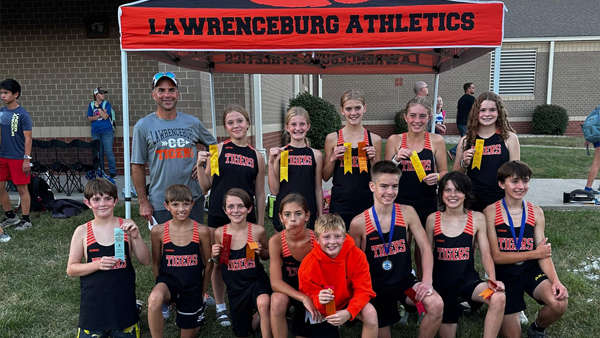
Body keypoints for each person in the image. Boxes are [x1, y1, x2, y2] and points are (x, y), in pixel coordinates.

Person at [349, 161, 443, 338]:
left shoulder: (407, 213)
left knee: (436, 304)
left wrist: (427, 281)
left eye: (395, 186)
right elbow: (353, 265)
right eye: (384, 186)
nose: (390, 192)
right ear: (372, 186)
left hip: (404, 285)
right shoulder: (358, 223)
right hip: (377, 288)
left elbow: (424, 247)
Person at [197, 103, 266, 326]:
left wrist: (261, 223)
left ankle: (247, 298)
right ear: (225, 127)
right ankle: (220, 305)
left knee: (248, 259)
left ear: (247, 123)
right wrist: (200, 167)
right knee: (220, 260)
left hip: (245, 217)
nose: (236, 126)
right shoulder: (218, 150)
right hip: (220, 215)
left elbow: (260, 192)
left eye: (240, 121)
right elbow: (205, 187)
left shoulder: (256, 155)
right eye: (230, 122)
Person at [484, 161, 568, 338]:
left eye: (525, 181)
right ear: (501, 184)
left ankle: (537, 328)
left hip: (529, 270)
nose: (521, 186)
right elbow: (496, 257)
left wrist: (556, 281)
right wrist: (534, 253)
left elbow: (544, 255)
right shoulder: (490, 212)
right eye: (514, 181)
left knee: (559, 303)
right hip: (504, 274)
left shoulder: (536, 212)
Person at [66, 178, 151, 338]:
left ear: (115, 200)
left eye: (107, 198)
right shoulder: (82, 231)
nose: (102, 203)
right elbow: (71, 269)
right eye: (96, 199)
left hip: (123, 307)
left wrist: (136, 236)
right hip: (93, 309)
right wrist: (97, 265)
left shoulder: (125, 226)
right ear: (88, 203)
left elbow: (145, 260)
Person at [425, 171, 505, 338]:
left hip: (469, 285)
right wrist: (426, 282)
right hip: (443, 288)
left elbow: (485, 253)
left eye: (458, 190)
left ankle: (470, 305)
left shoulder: (477, 218)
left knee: (497, 297)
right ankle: (422, 310)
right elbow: (426, 254)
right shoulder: (433, 219)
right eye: (448, 190)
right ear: (441, 193)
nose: (452, 195)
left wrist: (492, 278)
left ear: (466, 194)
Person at [132, 72, 216, 225]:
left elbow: (215, 147)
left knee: (195, 244)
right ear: (153, 95)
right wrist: (143, 201)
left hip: (192, 199)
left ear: (177, 94)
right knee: (165, 247)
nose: (167, 95)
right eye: (161, 90)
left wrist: (207, 169)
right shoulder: (143, 126)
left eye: (171, 90)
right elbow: (137, 166)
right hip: (161, 201)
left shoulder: (192, 122)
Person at [385, 96, 448, 278]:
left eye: (422, 116)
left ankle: (423, 282)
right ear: (405, 117)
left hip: (426, 201)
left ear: (429, 117)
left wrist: (437, 177)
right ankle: (401, 282)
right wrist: (396, 159)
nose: (417, 121)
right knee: (400, 245)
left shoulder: (436, 141)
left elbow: (445, 172)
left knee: (424, 247)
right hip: (399, 202)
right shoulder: (395, 140)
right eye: (413, 116)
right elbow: (384, 173)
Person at [147, 184, 212, 338]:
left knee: (189, 332)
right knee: (154, 299)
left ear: (192, 204)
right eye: (175, 204)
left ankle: (197, 310)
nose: (181, 209)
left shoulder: (202, 231)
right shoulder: (158, 231)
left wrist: (202, 291)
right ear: (166, 206)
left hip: (192, 286)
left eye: (186, 204)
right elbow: (156, 263)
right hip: (169, 283)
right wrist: (161, 290)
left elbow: (209, 264)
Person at [299, 213, 378, 338]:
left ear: (344, 237)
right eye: (326, 237)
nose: (332, 242)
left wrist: (349, 312)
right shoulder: (309, 264)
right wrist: (317, 298)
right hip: (323, 307)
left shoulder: (357, 255)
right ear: (317, 240)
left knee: (371, 313)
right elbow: (307, 292)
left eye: (337, 236)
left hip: (349, 301)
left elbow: (364, 290)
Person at [211, 188, 272, 338]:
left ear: (249, 208)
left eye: (241, 206)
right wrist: (214, 255)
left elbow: (266, 256)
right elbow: (219, 263)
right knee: (243, 331)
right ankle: (256, 317)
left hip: (255, 282)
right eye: (231, 207)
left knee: (264, 302)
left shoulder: (257, 231)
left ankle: (264, 315)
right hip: (236, 288)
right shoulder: (220, 233)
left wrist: (261, 251)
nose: (236, 210)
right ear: (225, 210)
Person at [323, 89, 382, 229]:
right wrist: (332, 158)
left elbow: (379, 178)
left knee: (365, 244)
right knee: (340, 243)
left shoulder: (375, 139)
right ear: (342, 110)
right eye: (348, 109)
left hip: (367, 199)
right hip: (341, 200)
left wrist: (373, 160)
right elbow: (325, 176)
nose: (353, 113)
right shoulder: (332, 138)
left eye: (357, 108)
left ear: (364, 108)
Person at [453, 91, 520, 212]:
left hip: (501, 201)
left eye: (492, 110)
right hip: (472, 201)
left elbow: (516, 175)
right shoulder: (465, 140)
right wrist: (464, 163)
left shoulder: (509, 138)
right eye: (483, 110)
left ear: (499, 112)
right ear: (476, 113)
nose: (487, 114)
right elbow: (455, 176)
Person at [269, 193, 318, 338]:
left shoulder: (317, 239)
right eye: (287, 214)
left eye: (298, 214)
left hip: (312, 290)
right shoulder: (276, 241)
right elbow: (275, 283)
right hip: (289, 290)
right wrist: (302, 298)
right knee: (277, 301)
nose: (293, 219)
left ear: (307, 216)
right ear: (280, 217)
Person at [268, 106, 323, 231]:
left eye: (302, 124)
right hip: (286, 211)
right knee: (286, 249)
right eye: (293, 124)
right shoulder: (281, 154)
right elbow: (274, 190)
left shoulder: (316, 155)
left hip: (308, 210)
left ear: (308, 126)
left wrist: (320, 214)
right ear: (287, 127)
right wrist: (271, 162)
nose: (298, 128)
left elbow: (318, 188)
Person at [0, 79, 33, 231]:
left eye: (6, 93)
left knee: (22, 189)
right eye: (1, 93)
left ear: (16, 94)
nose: (2, 96)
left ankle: (26, 220)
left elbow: (28, 138)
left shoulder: (23, 114)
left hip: (18, 157)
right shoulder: (1, 112)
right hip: (2, 156)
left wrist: (26, 159)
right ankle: (11, 217)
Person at [87, 87, 116, 178]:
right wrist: (100, 114)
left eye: (104, 93)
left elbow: (105, 117)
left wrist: (99, 110)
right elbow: (89, 118)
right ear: (96, 95)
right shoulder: (91, 105)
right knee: (98, 153)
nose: (103, 95)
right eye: (101, 93)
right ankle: (101, 171)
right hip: (95, 132)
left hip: (107, 131)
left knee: (108, 151)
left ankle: (112, 172)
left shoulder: (106, 104)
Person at [448, 83, 475, 160]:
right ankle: (452, 151)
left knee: (466, 139)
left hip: (460, 123)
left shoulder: (461, 99)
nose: (474, 89)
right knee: (466, 140)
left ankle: (464, 155)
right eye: (472, 88)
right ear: (468, 89)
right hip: (465, 123)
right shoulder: (471, 99)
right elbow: (475, 111)